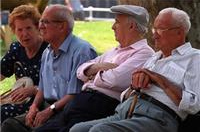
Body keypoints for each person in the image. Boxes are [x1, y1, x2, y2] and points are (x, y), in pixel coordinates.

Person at [69, 7, 200, 132]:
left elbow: (194, 105)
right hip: (126, 110)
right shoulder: (154, 57)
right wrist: (134, 85)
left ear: (180, 32)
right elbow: (124, 92)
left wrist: (159, 80)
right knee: (78, 129)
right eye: (154, 30)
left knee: (100, 130)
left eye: (160, 30)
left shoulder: (195, 58)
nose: (154, 36)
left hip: (156, 116)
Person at [33, 5, 155, 132]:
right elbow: (80, 72)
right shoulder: (114, 51)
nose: (112, 27)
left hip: (100, 105)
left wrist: (92, 76)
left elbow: (115, 80)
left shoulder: (144, 53)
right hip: (80, 103)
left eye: (117, 22)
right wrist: (104, 68)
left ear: (132, 26)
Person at [1, 4, 97, 131]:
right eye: (41, 22)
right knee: (10, 126)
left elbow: (76, 94)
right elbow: (43, 87)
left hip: (69, 110)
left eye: (45, 22)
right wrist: (34, 107)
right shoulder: (48, 51)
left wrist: (48, 110)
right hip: (45, 105)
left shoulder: (81, 51)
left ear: (61, 26)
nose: (41, 26)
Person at [0, 5, 48, 123]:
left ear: (38, 27)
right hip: (18, 100)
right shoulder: (16, 48)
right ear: (14, 31)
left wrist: (34, 90)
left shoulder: (49, 49)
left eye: (28, 28)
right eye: (19, 30)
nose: (24, 34)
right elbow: (1, 72)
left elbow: (57, 85)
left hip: (41, 103)